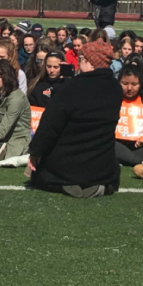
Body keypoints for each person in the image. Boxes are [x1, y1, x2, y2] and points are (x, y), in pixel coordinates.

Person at [28, 41, 122, 198]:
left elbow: (49, 124)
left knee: (39, 174)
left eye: (82, 59)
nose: (79, 62)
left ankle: (69, 184)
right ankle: (98, 186)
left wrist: (35, 151)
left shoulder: (71, 88)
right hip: (102, 166)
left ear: (90, 62)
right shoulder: (115, 88)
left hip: (67, 164)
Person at [114, 65, 143, 167]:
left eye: (134, 84)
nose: (129, 88)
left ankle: (131, 159)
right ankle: (139, 162)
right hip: (117, 144)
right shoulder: (113, 100)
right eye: (124, 84)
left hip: (139, 148)